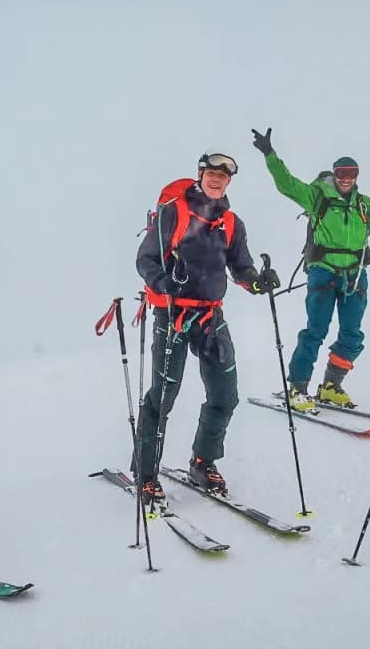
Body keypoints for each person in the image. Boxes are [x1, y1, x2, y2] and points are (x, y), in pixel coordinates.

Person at [134, 152, 280, 502]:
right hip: (172, 315)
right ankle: (146, 475)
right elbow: (145, 258)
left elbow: (240, 267)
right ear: (200, 174)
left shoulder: (231, 223)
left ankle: (203, 462)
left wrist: (259, 282)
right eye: (211, 173)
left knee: (225, 395)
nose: (216, 179)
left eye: (223, 176)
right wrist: (163, 281)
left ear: (229, 181)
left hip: (210, 318)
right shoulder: (174, 213)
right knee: (163, 397)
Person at [250, 127, 370, 410]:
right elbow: (287, 184)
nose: (346, 178)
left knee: (352, 333)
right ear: (334, 175)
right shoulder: (317, 197)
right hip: (323, 272)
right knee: (316, 330)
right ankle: (297, 388)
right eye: (341, 173)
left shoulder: (364, 205)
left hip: (356, 275)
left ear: (357, 176)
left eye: (352, 174)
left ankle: (331, 386)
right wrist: (270, 154)